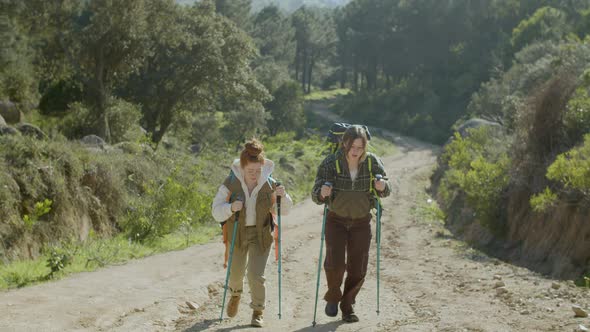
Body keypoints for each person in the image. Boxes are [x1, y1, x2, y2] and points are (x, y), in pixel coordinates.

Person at [311, 125, 391, 323]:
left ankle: (347, 306)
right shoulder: (330, 162)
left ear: (365, 146)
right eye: (352, 146)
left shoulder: (372, 162)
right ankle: (333, 296)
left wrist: (382, 187)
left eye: (360, 147)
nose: (356, 151)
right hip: (335, 220)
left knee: (358, 268)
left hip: (361, 222)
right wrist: (322, 193)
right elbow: (315, 194)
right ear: (344, 143)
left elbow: (386, 189)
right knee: (335, 264)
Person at [212, 138, 293, 327]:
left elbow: (284, 210)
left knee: (256, 275)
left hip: (261, 234)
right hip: (236, 234)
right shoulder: (230, 183)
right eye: (251, 171)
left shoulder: (270, 184)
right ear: (242, 167)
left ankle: (258, 311)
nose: (255, 175)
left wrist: (283, 196)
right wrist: (231, 207)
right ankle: (235, 294)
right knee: (236, 274)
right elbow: (215, 211)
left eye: (258, 170)